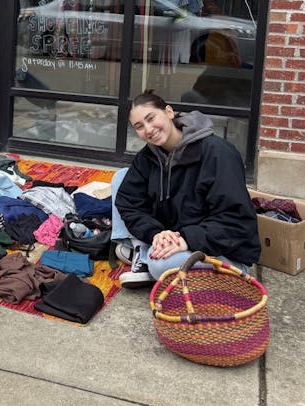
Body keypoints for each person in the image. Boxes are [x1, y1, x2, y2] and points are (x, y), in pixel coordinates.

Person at [111, 90, 260, 288]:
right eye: (139, 126)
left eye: (151, 118)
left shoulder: (218, 153)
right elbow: (129, 203)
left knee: (160, 265)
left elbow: (235, 221)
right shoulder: (147, 158)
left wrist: (186, 240)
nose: (148, 129)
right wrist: (156, 234)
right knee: (121, 178)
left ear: (169, 112)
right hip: (176, 237)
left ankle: (149, 260)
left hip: (221, 252)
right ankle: (143, 252)